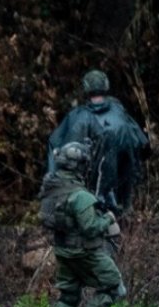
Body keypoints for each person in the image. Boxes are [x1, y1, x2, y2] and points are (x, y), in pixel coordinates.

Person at [38, 139, 126, 307]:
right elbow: (90, 228)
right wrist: (108, 219)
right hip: (86, 252)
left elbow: (45, 218)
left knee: (69, 294)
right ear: (80, 166)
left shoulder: (52, 188)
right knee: (115, 288)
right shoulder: (81, 196)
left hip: (63, 250)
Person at [45, 69, 148, 215]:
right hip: (121, 189)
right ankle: (122, 210)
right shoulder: (119, 112)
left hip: (93, 191)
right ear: (106, 86)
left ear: (86, 88)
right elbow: (142, 143)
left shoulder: (79, 117)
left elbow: (56, 144)